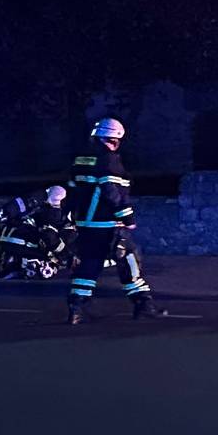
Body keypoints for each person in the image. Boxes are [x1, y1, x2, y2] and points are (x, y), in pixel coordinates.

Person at [65, 118, 158, 323]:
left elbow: (72, 191)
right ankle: (143, 303)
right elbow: (112, 192)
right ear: (115, 139)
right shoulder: (109, 160)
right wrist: (127, 218)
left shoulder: (80, 160)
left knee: (89, 263)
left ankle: (77, 305)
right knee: (129, 259)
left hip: (85, 225)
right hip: (108, 224)